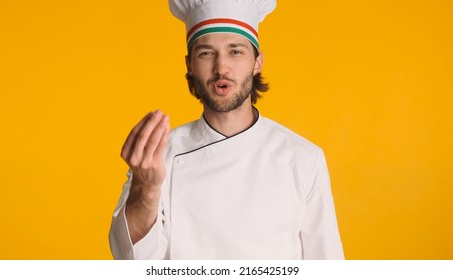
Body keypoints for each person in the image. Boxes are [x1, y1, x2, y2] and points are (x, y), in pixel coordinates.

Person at [109, 0, 344, 260]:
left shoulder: (304, 159)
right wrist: (147, 189)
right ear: (190, 64)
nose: (221, 67)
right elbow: (130, 261)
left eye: (235, 52)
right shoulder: (157, 157)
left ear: (257, 62)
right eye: (206, 53)